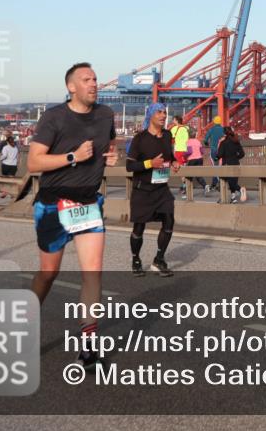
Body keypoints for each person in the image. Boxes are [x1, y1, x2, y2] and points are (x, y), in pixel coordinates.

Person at [26, 62, 118, 367]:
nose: (94, 83)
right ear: (71, 87)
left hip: (88, 203)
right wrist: (72, 157)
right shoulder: (54, 117)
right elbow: (33, 163)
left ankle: (89, 344)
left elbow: (111, 141)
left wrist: (113, 154)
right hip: (53, 204)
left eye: (95, 78)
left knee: (93, 271)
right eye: (86, 79)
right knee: (48, 274)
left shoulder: (106, 115)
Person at [126, 103, 180, 278]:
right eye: (159, 112)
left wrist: (173, 162)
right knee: (139, 227)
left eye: (165, 112)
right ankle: (136, 260)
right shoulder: (139, 139)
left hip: (161, 189)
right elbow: (129, 165)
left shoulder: (167, 135)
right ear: (150, 115)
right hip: (143, 190)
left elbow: (168, 155)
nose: (164, 115)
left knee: (169, 220)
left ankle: (159, 259)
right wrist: (150, 163)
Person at [216, 126, 247, 203]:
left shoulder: (223, 143)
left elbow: (220, 154)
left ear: (224, 133)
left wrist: (216, 157)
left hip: (227, 164)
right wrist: (236, 158)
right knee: (233, 181)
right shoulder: (236, 141)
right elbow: (242, 154)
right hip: (236, 164)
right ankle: (233, 198)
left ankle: (240, 190)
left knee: (224, 180)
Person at [203, 116, 225, 195]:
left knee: (214, 167)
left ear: (214, 122)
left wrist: (207, 143)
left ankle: (215, 183)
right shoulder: (223, 129)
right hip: (222, 151)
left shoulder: (211, 129)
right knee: (220, 166)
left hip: (213, 150)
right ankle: (218, 183)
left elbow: (205, 140)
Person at [185, 129, 207, 195]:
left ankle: (188, 193)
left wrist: (184, 154)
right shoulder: (198, 141)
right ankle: (205, 185)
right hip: (200, 159)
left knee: (188, 176)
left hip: (192, 160)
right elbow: (202, 151)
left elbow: (189, 152)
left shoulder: (188, 142)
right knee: (198, 175)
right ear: (195, 135)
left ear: (188, 135)